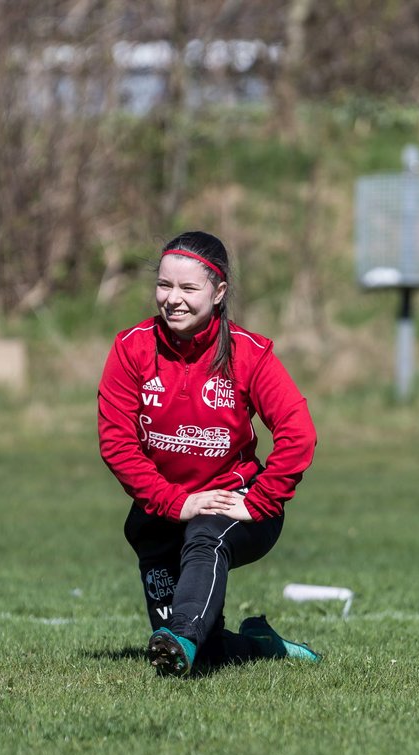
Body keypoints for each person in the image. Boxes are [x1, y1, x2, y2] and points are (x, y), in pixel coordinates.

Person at [97, 231, 321, 677]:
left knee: (203, 542)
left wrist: (259, 501)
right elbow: (116, 443)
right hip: (159, 513)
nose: (172, 299)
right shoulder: (131, 348)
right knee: (208, 647)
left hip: (233, 504)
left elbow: (299, 434)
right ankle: (260, 645)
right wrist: (174, 502)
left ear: (218, 294)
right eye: (164, 285)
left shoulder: (249, 354)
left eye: (187, 288)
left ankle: (180, 634)